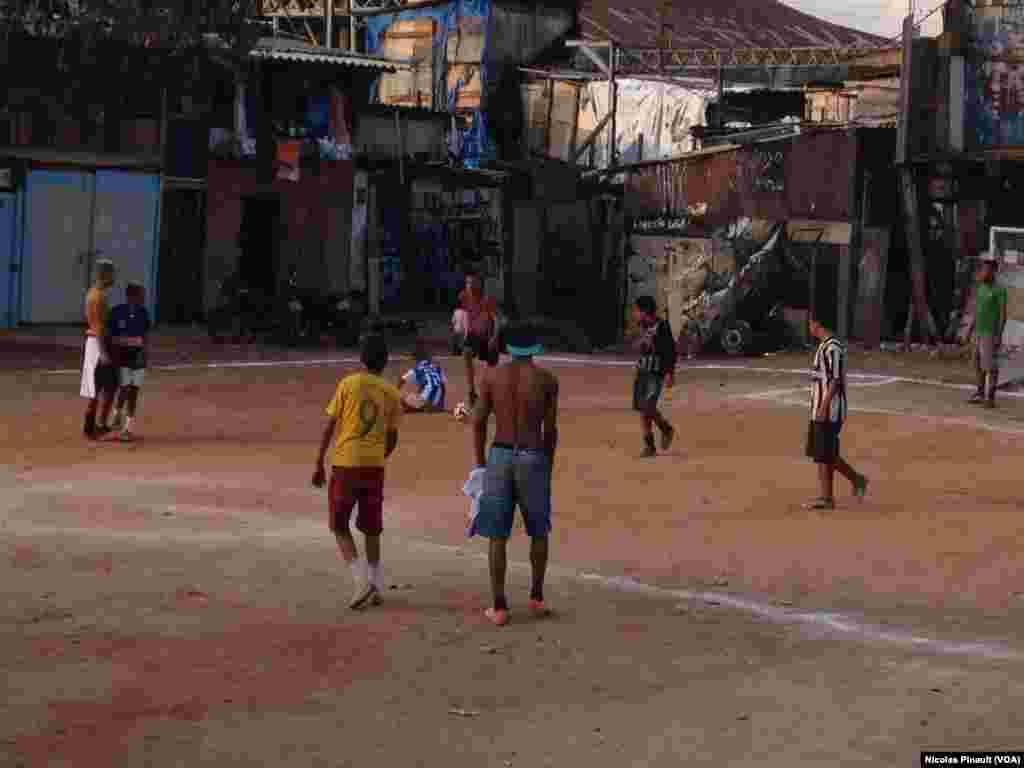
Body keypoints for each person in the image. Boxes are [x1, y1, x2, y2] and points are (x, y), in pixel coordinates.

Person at [471, 323, 559, 626]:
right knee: (539, 530)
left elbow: (479, 421)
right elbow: (551, 430)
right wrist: (548, 463)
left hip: (500, 454)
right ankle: (536, 597)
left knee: (497, 535)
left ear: (509, 348)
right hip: (534, 455)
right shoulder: (547, 380)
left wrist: (480, 462)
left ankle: (499, 606)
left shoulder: (492, 377)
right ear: (535, 347)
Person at [313, 334, 402, 610]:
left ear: (361, 359)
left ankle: (360, 580)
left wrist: (318, 462)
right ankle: (375, 585)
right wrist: (380, 456)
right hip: (374, 466)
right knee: (372, 528)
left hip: (345, 463)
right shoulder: (391, 393)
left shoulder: (347, 384)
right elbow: (392, 437)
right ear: (385, 362)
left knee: (339, 525)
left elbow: (329, 426)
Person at [804, 312, 869, 511]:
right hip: (820, 407)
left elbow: (835, 379)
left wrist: (824, 406)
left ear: (817, 324)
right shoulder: (825, 346)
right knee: (823, 452)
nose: (809, 326)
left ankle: (827, 497)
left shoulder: (833, 348)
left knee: (824, 453)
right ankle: (854, 481)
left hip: (829, 409)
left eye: (810, 322)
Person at [632, 296, 676, 458]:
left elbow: (671, 351)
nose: (634, 314)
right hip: (642, 371)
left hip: (656, 373)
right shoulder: (641, 326)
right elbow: (636, 346)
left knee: (648, 406)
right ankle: (650, 444)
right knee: (643, 409)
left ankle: (665, 429)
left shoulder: (662, 326)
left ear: (644, 311)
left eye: (636, 310)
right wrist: (641, 342)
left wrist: (670, 373)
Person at [81, 259, 119, 440]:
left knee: (104, 386)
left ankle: (95, 425)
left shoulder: (96, 294)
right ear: (105, 274)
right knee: (102, 386)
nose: (115, 277)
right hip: (99, 344)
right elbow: (98, 326)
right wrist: (103, 352)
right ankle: (94, 426)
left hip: (98, 343)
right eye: (112, 273)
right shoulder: (98, 297)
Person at [109, 282, 151, 441]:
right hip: (123, 357)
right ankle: (117, 413)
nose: (144, 298)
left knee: (134, 391)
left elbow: (146, 336)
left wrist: (145, 352)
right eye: (141, 295)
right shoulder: (117, 312)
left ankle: (128, 428)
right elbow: (112, 336)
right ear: (131, 296)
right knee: (124, 388)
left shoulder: (144, 313)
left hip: (138, 357)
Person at [969, 253, 1008, 409]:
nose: (982, 272)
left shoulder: (1000, 290)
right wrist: (969, 331)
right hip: (978, 332)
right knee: (976, 363)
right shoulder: (981, 287)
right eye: (982, 269)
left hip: (990, 333)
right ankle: (979, 393)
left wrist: (999, 336)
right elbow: (976, 310)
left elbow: (1003, 315)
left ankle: (990, 397)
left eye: (986, 270)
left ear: (993, 271)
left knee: (990, 366)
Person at [457, 271, 499, 408]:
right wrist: (461, 332)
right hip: (472, 335)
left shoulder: (488, 299)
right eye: (467, 282)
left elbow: (497, 320)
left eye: (472, 282)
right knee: (466, 352)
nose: (469, 285)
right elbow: (460, 315)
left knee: (491, 367)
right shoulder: (463, 296)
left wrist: (494, 337)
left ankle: (490, 394)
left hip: (488, 336)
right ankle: (471, 392)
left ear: (479, 284)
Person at [399, 339, 448, 413]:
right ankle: (428, 406)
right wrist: (441, 405)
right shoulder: (437, 368)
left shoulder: (417, 369)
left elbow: (401, 380)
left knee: (404, 399)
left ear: (416, 360)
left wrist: (395, 395)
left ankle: (420, 407)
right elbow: (443, 386)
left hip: (426, 400)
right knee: (423, 390)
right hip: (437, 400)